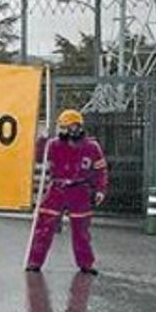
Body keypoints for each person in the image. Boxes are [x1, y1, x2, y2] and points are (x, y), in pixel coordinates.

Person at [26, 109, 107, 275]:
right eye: (62, 127)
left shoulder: (92, 147)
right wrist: (42, 139)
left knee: (81, 231)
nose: (65, 131)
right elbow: (39, 156)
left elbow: (101, 171)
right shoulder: (53, 144)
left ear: (78, 127)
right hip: (57, 189)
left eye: (69, 127)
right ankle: (34, 262)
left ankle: (86, 264)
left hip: (80, 190)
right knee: (44, 227)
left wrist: (100, 190)